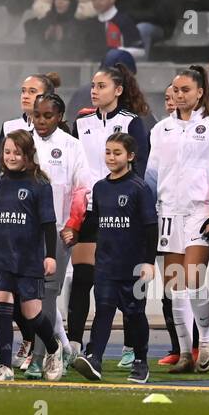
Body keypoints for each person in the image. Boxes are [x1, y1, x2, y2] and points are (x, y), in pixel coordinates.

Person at [144, 65, 209, 373]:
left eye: (186, 90)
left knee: (193, 278)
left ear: (200, 92)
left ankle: (205, 340)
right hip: (168, 211)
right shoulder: (161, 130)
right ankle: (184, 353)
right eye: (176, 91)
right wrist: (147, 214)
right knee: (174, 286)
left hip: (201, 211)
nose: (180, 96)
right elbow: (152, 176)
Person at [69, 131, 156, 384]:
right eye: (108, 152)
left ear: (130, 156)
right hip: (106, 265)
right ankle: (94, 358)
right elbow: (97, 223)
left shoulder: (140, 188)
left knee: (135, 314)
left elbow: (150, 227)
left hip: (134, 266)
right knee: (103, 310)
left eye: (117, 153)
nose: (111, 157)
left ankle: (141, 361)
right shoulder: (100, 188)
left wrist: (149, 262)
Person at [0, 131, 60, 382]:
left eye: (17, 152)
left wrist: (51, 256)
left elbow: (48, 223)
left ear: (27, 154)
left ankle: (53, 350)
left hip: (29, 259)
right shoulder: (1, 184)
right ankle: (5, 367)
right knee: (2, 307)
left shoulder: (40, 185)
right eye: (7, 151)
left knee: (32, 313)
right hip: (2, 257)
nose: (11, 157)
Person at [24, 92, 90, 379]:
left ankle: (42, 357)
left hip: (58, 233)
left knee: (47, 296)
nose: (40, 121)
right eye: (37, 115)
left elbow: (82, 188)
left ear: (60, 117)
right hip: (24, 233)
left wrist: (73, 224)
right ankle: (44, 350)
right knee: (25, 296)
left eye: (47, 116)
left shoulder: (72, 146)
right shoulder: (22, 143)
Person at [23, 0, 89, 60]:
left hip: (67, 68)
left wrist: (63, 41)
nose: (59, 2)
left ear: (72, 2)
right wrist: (44, 37)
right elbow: (32, 43)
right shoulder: (45, 21)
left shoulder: (79, 27)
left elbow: (78, 54)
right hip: (43, 67)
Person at [2, 72, 56, 138]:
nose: (25, 96)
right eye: (23, 91)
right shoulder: (9, 127)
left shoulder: (58, 130)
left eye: (32, 91)